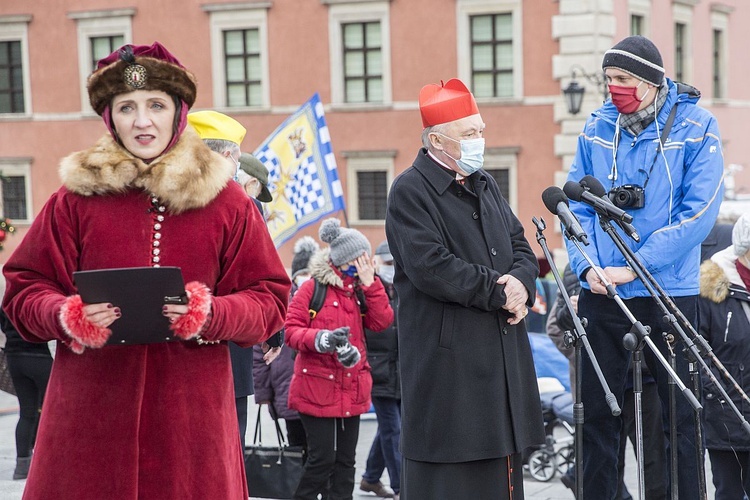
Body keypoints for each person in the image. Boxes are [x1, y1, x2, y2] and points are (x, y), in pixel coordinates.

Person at [1, 41, 290, 499]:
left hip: (190, 426)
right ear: (109, 116)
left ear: (178, 112)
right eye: (126, 106)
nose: (142, 121)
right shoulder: (74, 200)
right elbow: (23, 290)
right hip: (90, 420)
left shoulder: (228, 203)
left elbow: (270, 298)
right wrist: (66, 315)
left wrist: (211, 314)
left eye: (155, 105)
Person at [565, 35, 724, 500]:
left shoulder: (698, 126)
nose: (613, 88)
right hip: (602, 294)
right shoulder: (596, 126)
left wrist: (637, 266)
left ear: (652, 81)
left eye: (623, 79)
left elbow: (698, 214)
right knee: (596, 418)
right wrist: (585, 266)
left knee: (680, 420)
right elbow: (578, 209)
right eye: (608, 79)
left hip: (666, 294)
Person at [385, 78, 544, 499]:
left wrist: (523, 284)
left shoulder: (484, 183)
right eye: (470, 133)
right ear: (437, 140)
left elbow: (519, 245)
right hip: (450, 370)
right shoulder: (409, 190)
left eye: (481, 130)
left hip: (500, 359)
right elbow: (430, 267)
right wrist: (499, 290)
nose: (480, 140)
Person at [187, 109, 282, 449]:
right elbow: (262, 279)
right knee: (226, 451)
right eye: (237, 159)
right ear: (225, 156)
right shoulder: (243, 205)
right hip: (227, 347)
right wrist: (273, 332)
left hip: (195, 348)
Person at [285, 218, 394, 500]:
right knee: (321, 461)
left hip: (352, 385)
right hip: (317, 386)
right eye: (361, 257)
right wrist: (321, 339)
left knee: (346, 463)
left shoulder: (361, 288)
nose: (366, 263)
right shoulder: (312, 288)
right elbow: (291, 332)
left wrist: (372, 285)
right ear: (345, 259)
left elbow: (382, 322)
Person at [546, 265, 667, 500]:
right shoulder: (576, 268)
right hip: (601, 383)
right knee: (605, 460)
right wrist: (586, 357)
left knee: (655, 462)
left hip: (645, 379)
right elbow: (556, 326)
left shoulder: (639, 261)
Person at [698, 213, 750, 499]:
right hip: (726, 419)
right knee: (729, 491)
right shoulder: (712, 289)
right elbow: (699, 353)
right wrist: (721, 401)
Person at [252, 235, 320, 452]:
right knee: (296, 449)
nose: (308, 279)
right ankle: (299, 485)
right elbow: (259, 350)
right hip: (286, 390)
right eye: (304, 275)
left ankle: (313, 486)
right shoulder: (280, 302)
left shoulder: (324, 298)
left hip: (318, 388)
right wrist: (262, 393)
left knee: (321, 451)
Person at [360, 240, 400, 499]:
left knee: (389, 428)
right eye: (387, 263)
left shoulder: (403, 287)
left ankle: (370, 478)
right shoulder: (368, 289)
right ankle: (401, 486)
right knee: (394, 429)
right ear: (375, 263)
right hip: (379, 369)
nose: (391, 267)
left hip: (401, 369)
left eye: (394, 263)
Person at [0, 308, 52, 480]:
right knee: (52, 411)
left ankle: (22, 467)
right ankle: (48, 462)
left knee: (27, 413)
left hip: (14, 358)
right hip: (40, 357)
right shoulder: (36, 296)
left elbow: (3, 326)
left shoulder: (9, 299)